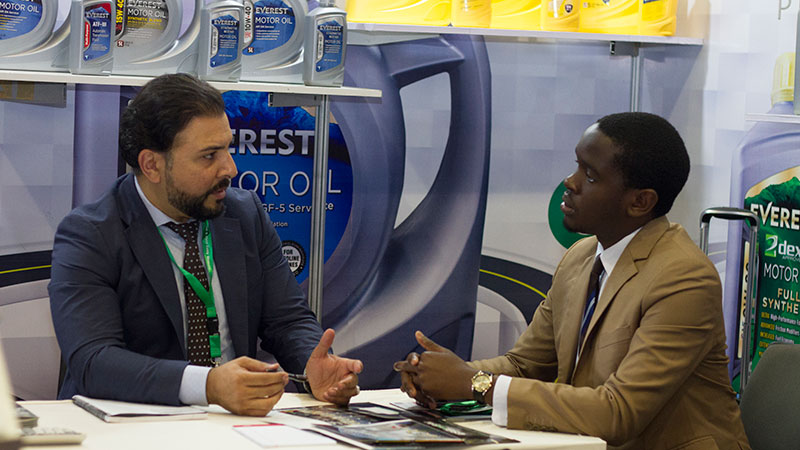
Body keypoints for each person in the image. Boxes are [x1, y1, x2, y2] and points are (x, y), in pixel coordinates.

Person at [394, 112, 751, 449]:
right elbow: (524, 366)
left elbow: (618, 412)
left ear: (640, 202)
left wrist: (475, 384)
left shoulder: (684, 278)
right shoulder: (580, 258)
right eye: (577, 165)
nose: (570, 182)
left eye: (590, 175)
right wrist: (443, 377)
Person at [49, 73, 362, 416]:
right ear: (152, 165)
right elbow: (94, 361)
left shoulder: (245, 214)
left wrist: (312, 365)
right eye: (209, 156)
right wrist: (208, 386)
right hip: (131, 423)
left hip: (233, 424)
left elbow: (287, 320)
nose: (230, 168)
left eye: (228, 147)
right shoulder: (90, 234)